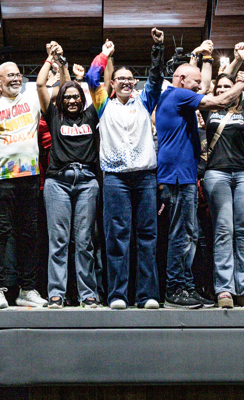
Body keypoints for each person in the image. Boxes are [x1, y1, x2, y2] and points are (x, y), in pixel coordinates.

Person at [154, 37, 244, 309]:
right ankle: (175, 290)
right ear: (180, 79)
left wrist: (205, 59)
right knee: (180, 235)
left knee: (188, 234)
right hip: (177, 177)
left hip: (181, 176)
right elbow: (218, 102)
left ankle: (185, 287)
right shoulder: (178, 95)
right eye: (195, 82)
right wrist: (242, 83)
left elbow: (207, 87)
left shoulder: (176, 96)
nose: (200, 86)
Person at [87, 31, 163, 309]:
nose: (127, 82)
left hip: (145, 177)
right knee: (117, 237)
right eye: (121, 78)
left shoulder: (144, 101)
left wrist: (157, 48)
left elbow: (156, 78)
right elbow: (91, 78)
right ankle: (117, 295)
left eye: (130, 79)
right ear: (113, 83)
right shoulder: (102, 105)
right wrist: (104, 54)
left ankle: (147, 295)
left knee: (147, 236)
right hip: (115, 178)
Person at [37, 42, 101, 308]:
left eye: (76, 97)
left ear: (82, 99)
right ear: (61, 101)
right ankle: (56, 293)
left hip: (87, 181)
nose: (72, 100)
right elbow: (41, 85)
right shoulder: (54, 115)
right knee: (59, 241)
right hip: (58, 183)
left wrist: (104, 57)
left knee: (85, 241)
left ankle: (88, 293)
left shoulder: (91, 115)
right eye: (67, 97)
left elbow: (97, 87)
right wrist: (50, 60)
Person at [0, 61, 46, 309]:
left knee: (29, 235)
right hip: (1, 177)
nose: (16, 78)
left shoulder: (31, 99)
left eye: (18, 74)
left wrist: (52, 61)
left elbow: (49, 87)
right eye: (10, 75)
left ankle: (27, 289)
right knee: (0, 234)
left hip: (30, 177)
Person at [201, 46, 244, 308]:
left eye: (229, 86)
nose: (224, 90)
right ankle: (224, 288)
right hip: (217, 172)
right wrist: (231, 70)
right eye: (220, 87)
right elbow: (211, 86)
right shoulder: (209, 108)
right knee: (224, 230)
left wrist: (243, 58)